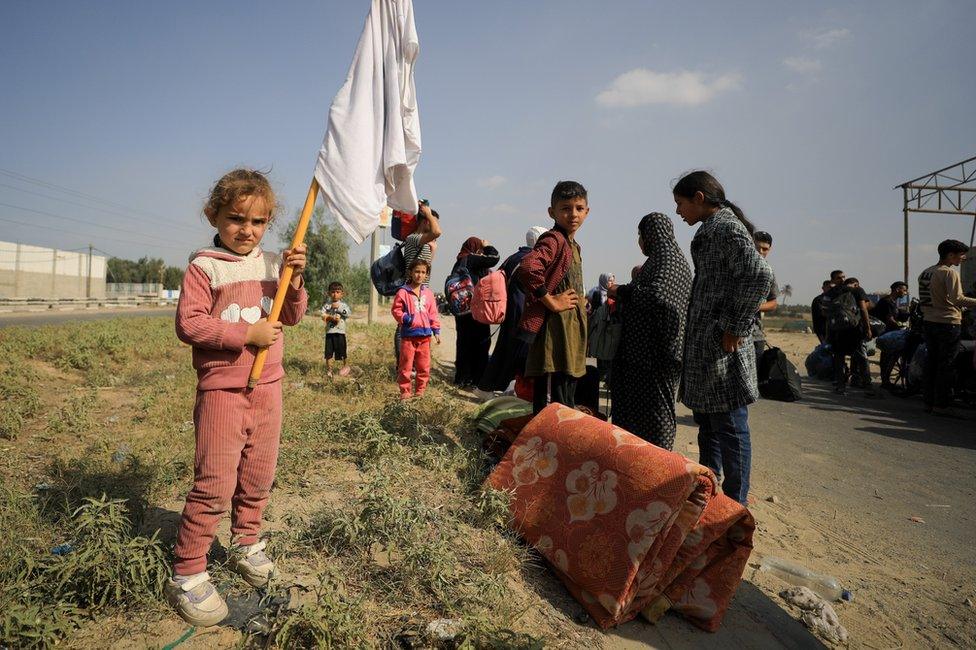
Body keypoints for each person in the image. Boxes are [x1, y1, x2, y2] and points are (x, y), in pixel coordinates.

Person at [167, 169, 308, 626]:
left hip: (268, 389)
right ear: (214, 215)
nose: (247, 231)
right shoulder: (203, 266)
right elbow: (189, 324)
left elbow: (292, 314)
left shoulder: (272, 265)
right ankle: (188, 571)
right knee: (214, 482)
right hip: (223, 391)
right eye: (236, 219)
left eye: (259, 222)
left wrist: (296, 280)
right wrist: (246, 332)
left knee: (258, 473)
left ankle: (247, 542)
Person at [673, 170, 771, 507]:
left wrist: (736, 327)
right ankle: (709, 491)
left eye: (680, 203)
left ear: (699, 198)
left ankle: (734, 502)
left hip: (723, 347)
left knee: (730, 426)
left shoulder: (727, 229)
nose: (678, 211)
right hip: (708, 346)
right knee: (711, 425)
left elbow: (759, 275)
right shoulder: (712, 230)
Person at [607, 213, 692, 450]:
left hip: (656, 356)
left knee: (657, 414)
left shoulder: (669, 261)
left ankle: (658, 466)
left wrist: (620, 291)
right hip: (642, 355)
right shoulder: (659, 260)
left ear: (649, 236)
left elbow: (657, 297)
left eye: (640, 235)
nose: (639, 242)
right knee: (635, 414)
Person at [519, 180, 590, 414]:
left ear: (587, 212)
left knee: (565, 408)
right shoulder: (554, 239)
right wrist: (550, 300)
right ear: (552, 212)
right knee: (551, 411)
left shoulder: (574, 245)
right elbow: (529, 267)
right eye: (565, 208)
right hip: (555, 340)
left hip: (570, 342)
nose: (573, 214)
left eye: (579, 208)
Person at [477, 226, 548, 395]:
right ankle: (509, 389)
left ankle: (485, 387)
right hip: (522, 312)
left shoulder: (513, 257)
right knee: (520, 353)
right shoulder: (532, 260)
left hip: (509, 310)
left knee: (503, 350)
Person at [917, 239, 976, 415]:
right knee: (947, 365)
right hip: (948, 323)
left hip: (929, 322)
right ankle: (941, 405)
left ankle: (928, 402)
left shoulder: (925, 272)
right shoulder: (949, 273)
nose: (963, 259)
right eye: (960, 255)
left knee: (932, 363)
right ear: (950, 255)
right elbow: (957, 299)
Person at [395, 202, 441, 363]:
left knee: (419, 327)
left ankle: (413, 363)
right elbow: (437, 232)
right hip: (411, 290)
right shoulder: (414, 238)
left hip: (421, 290)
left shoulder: (422, 242)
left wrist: (432, 250)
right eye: (433, 220)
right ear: (424, 221)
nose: (436, 224)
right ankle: (403, 363)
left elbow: (426, 267)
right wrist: (428, 212)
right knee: (404, 328)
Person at [450, 237, 500, 386]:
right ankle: (477, 379)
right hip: (476, 310)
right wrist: (488, 246)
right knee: (481, 343)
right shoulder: (471, 258)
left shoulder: (460, 262)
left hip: (462, 310)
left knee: (464, 343)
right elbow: (494, 258)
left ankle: (462, 377)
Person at [392, 258, 441, 399]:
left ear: (426, 275)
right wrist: (407, 319)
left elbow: (433, 314)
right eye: (417, 271)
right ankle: (405, 392)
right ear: (411, 273)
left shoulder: (429, 294)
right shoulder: (403, 292)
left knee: (423, 366)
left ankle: (420, 391)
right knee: (405, 366)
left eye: (423, 272)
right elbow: (396, 310)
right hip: (408, 336)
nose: (420, 275)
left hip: (425, 337)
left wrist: (436, 331)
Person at [825, 277, 875, 395]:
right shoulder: (857, 290)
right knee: (862, 357)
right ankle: (868, 386)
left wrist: (829, 332)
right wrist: (868, 328)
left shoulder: (833, 291)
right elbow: (863, 309)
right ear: (856, 284)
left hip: (836, 330)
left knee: (839, 358)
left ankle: (840, 386)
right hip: (853, 330)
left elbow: (825, 312)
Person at [874, 281, 909, 388]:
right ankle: (885, 381)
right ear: (897, 289)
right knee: (887, 358)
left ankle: (886, 380)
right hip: (887, 334)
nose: (906, 293)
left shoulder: (892, 301)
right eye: (904, 290)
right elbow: (890, 319)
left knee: (888, 357)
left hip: (888, 333)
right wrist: (901, 326)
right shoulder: (887, 302)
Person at [751, 231, 778, 365]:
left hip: (756, 335)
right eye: (757, 248)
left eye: (765, 249)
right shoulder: (735, 266)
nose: (760, 252)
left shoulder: (768, 272)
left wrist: (753, 306)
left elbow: (773, 303)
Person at [321, 281, 351, 377]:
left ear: (342, 294)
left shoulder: (343, 305)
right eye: (333, 292)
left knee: (342, 351)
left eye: (338, 292)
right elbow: (323, 315)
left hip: (340, 332)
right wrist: (330, 317)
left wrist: (339, 308)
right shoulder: (327, 305)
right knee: (328, 353)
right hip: (330, 332)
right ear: (329, 293)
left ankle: (345, 366)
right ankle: (329, 370)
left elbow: (348, 313)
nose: (335, 294)